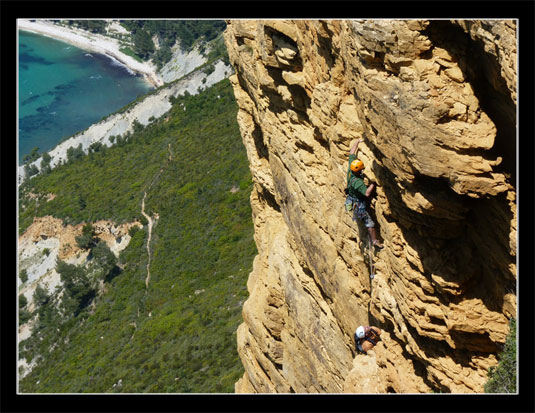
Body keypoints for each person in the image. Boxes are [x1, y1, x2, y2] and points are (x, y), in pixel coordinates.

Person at [345, 138, 383, 248]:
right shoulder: (357, 182)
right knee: (369, 223)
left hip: (352, 199)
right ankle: (375, 241)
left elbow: (352, 153)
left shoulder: (351, 167)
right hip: (358, 203)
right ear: (359, 170)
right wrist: (373, 184)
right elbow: (366, 193)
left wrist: (357, 141)